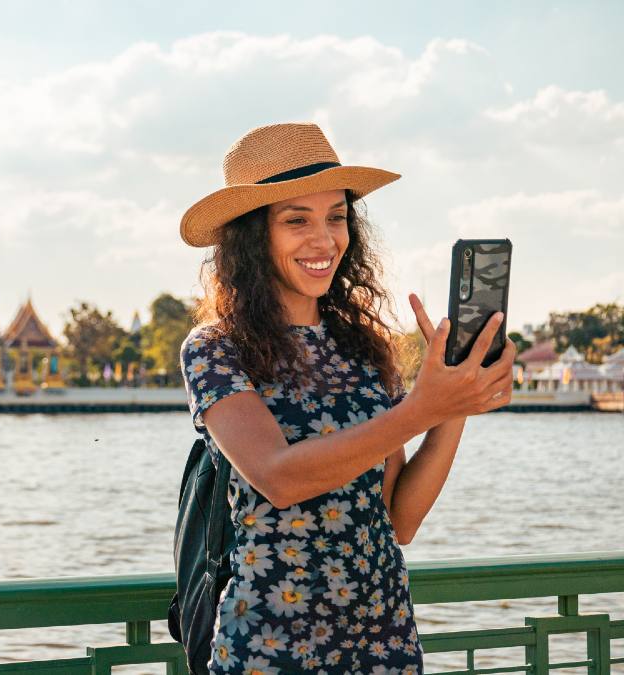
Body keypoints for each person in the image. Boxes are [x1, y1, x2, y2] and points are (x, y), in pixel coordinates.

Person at [177, 122, 516, 674]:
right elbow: (279, 477)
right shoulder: (217, 348)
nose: (325, 239)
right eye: (296, 220)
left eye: (337, 217)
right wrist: (421, 409)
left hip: (383, 641)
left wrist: (454, 403)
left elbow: (398, 518)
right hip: (271, 645)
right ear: (250, 235)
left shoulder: (363, 348)